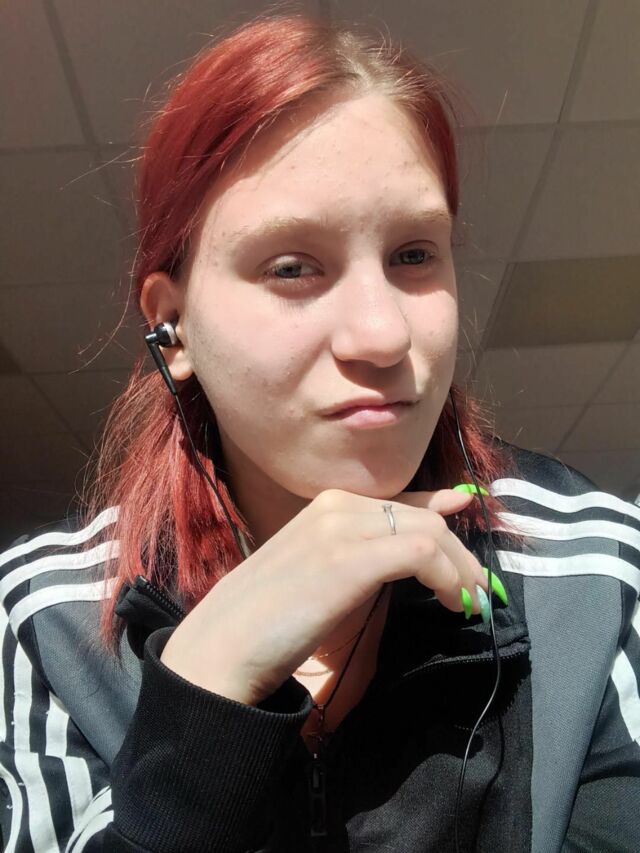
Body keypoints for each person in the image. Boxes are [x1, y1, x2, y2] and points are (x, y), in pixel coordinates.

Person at [1, 10, 639, 853]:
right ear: (172, 329)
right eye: (292, 267)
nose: (383, 334)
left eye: (414, 254)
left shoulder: (593, 571)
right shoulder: (48, 619)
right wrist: (203, 702)